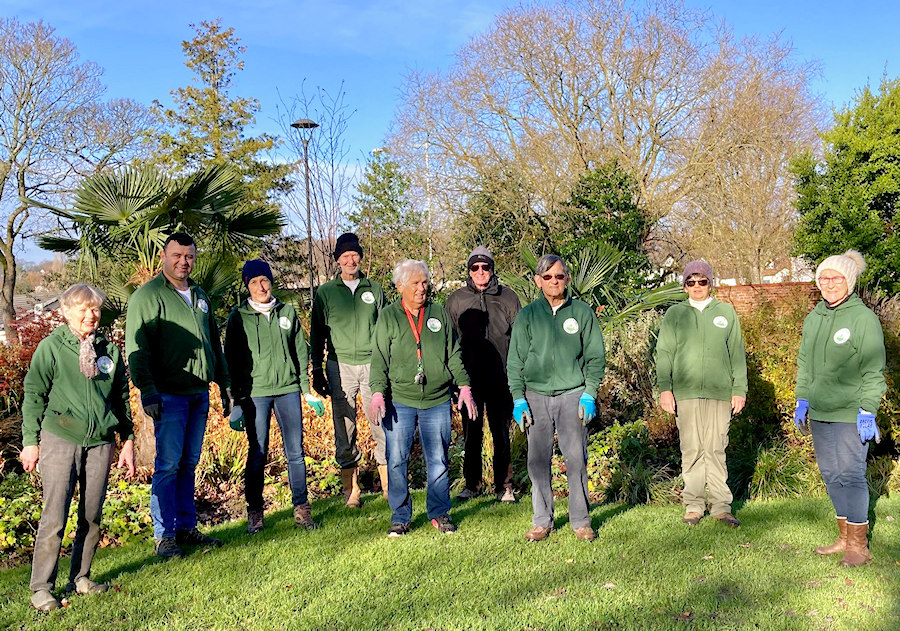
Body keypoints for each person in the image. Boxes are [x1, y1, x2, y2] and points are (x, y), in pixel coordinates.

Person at [21, 283, 135, 611]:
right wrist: (30, 442)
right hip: (60, 438)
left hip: (100, 442)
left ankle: (81, 577)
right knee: (54, 516)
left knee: (92, 514)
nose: (91, 315)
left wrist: (126, 439)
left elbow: (120, 399)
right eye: (83, 309)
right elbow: (34, 395)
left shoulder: (109, 352)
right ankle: (42, 588)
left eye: (95, 309)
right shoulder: (52, 347)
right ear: (67, 312)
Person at [125, 232, 230, 559]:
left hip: (198, 394)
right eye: (177, 255)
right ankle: (164, 536)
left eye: (189, 256)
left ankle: (186, 527)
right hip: (167, 396)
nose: (183, 261)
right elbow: (136, 352)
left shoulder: (199, 295)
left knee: (188, 464)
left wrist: (224, 386)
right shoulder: (148, 296)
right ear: (163, 256)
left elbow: (214, 343)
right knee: (168, 466)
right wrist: (149, 391)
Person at [369, 259, 476, 536]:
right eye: (415, 283)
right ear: (400, 286)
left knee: (438, 459)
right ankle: (400, 516)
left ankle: (439, 513)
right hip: (400, 400)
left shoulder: (438, 314)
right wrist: (378, 393)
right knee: (396, 459)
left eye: (425, 282)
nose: (422, 288)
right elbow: (379, 358)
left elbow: (453, 354)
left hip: (437, 400)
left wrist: (464, 387)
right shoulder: (389, 316)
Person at [794, 250, 885, 567]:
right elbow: (804, 363)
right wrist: (802, 398)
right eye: (824, 277)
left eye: (836, 277)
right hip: (820, 412)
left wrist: (867, 409)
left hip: (850, 413)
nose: (829, 283)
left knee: (851, 475)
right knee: (832, 474)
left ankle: (859, 547)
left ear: (850, 281)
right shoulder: (814, 318)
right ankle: (844, 538)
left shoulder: (863, 319)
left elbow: (874, 371)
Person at [507, 255, 606, 542]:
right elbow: (515, 361)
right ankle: (542, 520)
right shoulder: (528, 315)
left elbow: (596, 357)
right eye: (547, 277)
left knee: (576, 459)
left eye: (559, 276)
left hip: (572, 395)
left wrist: (589, 393)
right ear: (538, 281)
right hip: (535, 397)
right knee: (537, 461)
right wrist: (518, 398)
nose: (554, 281)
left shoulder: (582, 313)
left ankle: (581, 520)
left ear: (567, 279)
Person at [225, 259, 326, 534]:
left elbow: (299, 353)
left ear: (271, 282)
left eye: (265, 280)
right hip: (255, 395)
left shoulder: (287, 312)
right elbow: (232, 362)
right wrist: (235, 403)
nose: (261, 286)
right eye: (254, 282)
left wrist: (306, 391)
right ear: (248, 285)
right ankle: (255, 514)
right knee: (257, 454)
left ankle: (302, 509)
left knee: (295, 452)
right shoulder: (238, 317)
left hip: (288, 390)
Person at [655, 260, 746, 528]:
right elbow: (664, 354)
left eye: (702, 281)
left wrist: (739, 389)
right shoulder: (674, 315)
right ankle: (693, 506)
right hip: (686, 393)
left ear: (710, 283)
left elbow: (737, 354)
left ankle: (721, 507)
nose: (697, 287)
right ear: (684, 286)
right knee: (692, 449)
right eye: (691, 282)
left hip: (720, 393)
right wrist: (665, 389)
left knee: (716, 448)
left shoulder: (726, 312)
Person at [310, 232, 387, 507]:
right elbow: (317, 333)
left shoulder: (374, 290)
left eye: (354, 255)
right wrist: (317, 370)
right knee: (345, 426)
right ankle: (351, 490)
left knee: (380, 421)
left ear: (360, 257)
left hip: (372, 363)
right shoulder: (326, 292)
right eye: (345, 256)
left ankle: (389, 485)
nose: (350, 260)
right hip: (339, 365)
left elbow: (386, 328)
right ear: (337, 261)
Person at [446, 246, 521, 502]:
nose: (480, 272)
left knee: (501, 434)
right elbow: (449, 340)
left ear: (492, 269)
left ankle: (505, 486)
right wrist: (454, 380)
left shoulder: (508, 297)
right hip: (469, 379)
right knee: (471, 434)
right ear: (469, 271)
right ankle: (472, 485)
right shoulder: (457, 300)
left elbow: (520, 337)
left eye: (485, 267)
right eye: (475, 268)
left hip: (502, 378)